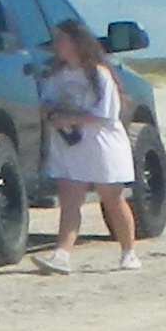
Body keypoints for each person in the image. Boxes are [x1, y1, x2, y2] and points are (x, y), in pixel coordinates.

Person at [35, 17, 145, 271]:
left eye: (62, 39)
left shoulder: (98, 73)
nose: (57, 45)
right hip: (70, 144)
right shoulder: (58, 75)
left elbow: (104, 114)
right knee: (70, 200)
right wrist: (51, 115)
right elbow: (46, 102)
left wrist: (69, 119)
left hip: (100, 144)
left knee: (112, 199)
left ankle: (128, 252)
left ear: (77, 42)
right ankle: (61, 254)